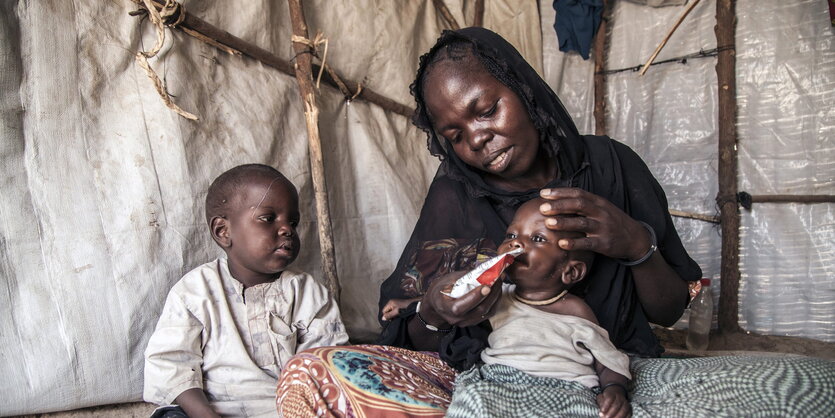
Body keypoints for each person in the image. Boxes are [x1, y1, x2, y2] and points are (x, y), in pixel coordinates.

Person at [275, 28, 835, 417]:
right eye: (453, 134)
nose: (475, 139)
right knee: (316, 371)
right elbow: (413, 331)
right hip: (481, 378)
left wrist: (636, 245)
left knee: (812, 385)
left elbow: (667, 309)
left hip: (610, 377)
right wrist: (439, 311)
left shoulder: (611, 165)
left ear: (522, 90)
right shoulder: (456, 192)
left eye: (485, 109)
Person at [144, 164, 348, 418]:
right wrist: (205, 415)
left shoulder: (307, 293)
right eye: (268, 218)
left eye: (292, 222)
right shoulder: (195, 291)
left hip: (287, 410)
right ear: (223, 231)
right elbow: (171, 363)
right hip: (208, 411)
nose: (287, 229)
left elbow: (325, 365)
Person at [446, 198, 631, 418]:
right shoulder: (496, 295)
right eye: (511, 235)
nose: (515, 244)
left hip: (564, 388)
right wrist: (410, 305)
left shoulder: (575, 310)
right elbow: (452, 299)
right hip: (499, 381)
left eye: (537, 238)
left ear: (570, 272)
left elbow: (608, 360)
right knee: (472, 398)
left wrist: (614, 390)